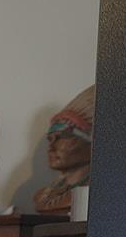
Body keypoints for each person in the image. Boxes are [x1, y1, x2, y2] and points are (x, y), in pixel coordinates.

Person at [35, 85, 95, 213]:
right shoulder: (42, 196)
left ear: (90, 143)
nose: (51, 147)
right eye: (50, 139)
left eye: (62, 137)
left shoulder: (94, 193)